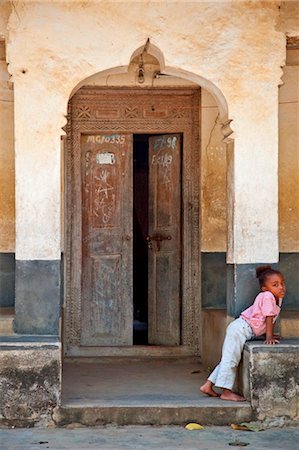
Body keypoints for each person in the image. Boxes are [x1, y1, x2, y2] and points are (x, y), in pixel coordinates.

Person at [200, 265, 286, 402]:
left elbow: (271, 318)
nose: (281, 287)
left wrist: (268, 335)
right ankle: (226, 392)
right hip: (240, 330)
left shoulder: (277, 297)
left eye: (282, 283)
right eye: (275, 285)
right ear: (265, 288)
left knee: (228, 358)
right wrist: (269, 337)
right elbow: (268, 317)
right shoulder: (268, 296)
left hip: (244, 331)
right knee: (231, 359)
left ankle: (208, 385)